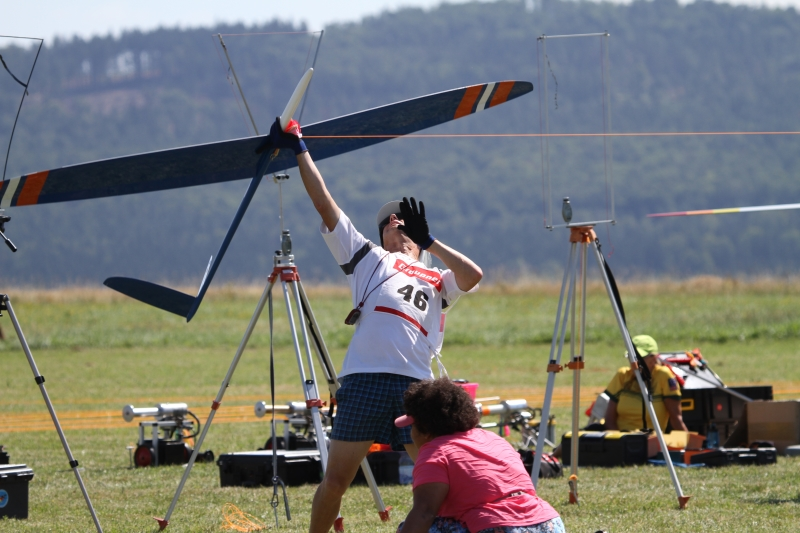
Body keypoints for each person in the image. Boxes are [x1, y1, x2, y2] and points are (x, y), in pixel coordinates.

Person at [266, 118, 483, 533]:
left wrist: (432, 241)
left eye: (403, 221)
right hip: (363, 380)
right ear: (380, 236)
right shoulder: (368, 260)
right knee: (335, 481)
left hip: (417, 388)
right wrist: (299, 147)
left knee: (437, 482)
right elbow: (325, 204)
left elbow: (474, 276)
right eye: (387, 222)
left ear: (418, 236)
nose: (395, 224)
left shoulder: (438, 275)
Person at [396, 378, 565, 533]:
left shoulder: (434, 452)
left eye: (412, 427)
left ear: (424, 429)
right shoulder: (492, 438)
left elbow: (424, 513)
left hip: (497, 526)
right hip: (548, 523)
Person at [603, 334, 688, 433]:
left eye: (638, 358)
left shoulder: (663, 376)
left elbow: (676, 419)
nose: (633, 361)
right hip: (622, 440)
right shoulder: (622, 375)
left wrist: (690, 443)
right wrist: (618, 442)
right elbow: (609, 420)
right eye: (631, 356)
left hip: (652, 441)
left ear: (653, 358)